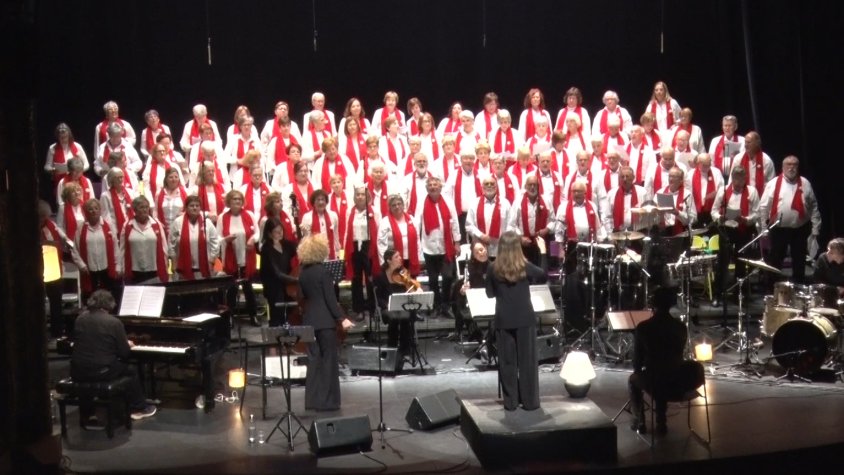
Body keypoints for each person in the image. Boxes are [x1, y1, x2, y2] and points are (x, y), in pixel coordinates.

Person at [71, 290, 157, 421]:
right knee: (131, 371)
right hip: (101, 371)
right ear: (110, 305)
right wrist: (127, 344)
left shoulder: (80, 318)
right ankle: (139, 407)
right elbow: (124, 353)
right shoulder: (113, 322)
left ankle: (88, 411)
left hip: (77, 371)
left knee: (101, 364)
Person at [485, 230, 547, 411]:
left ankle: (510, 402)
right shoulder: (524, 266)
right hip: (525, 319)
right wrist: (542, 252)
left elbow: (489, 294)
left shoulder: (492, 268)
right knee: (527, 362)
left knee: (507, 362)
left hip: (504, 320)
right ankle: (530, 402)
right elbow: (542, 275)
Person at [297, 234, 353, 411]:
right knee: (329, 361)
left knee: (314, 362)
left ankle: (312, 401)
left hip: (309, 322)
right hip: (326, 323)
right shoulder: (324, 272)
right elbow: (330, 299)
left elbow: (302, 297)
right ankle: (328, 402)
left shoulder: (303, 274)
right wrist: (342, 318)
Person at [628, 286, 691, 435]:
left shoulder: (644, 327)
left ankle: (640, 421)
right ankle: (661, 422)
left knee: (634, 380)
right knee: (663, 373)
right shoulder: (681, 327)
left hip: (656, 381)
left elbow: (637, 363)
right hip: (678, 382)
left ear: (653, 304)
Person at [759, 155, 821, 285]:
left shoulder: (805, 183)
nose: (791, 167)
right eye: (788, 164)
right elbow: (764, 207)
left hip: (799, 229)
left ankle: (798, 287)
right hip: (779, 229)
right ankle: (772, 288)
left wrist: (816, 228)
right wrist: (764, 229)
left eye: (794, 165)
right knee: (775, 261)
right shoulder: (773, 183)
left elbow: (813, 206)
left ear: (798, 167)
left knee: (799, 261)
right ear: (782, 167)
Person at [711, 165, 760, 306]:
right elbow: (713, 210)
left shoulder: (752, 191)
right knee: (722, 264)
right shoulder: (723, 190)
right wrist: (719, 217)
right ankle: (718, 294)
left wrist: (746, 219)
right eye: (736, 179)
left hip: (743, 230)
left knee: (741, 264)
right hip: (726, 231)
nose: (738, 183)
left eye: (741, 179)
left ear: (745, 178)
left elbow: (756, 213)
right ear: (732, 178)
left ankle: (739, 295)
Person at [40, 200, 85, 338]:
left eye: (45, 217)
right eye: (42, 217)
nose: (44, 219)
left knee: (56, 303)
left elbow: (63, 238)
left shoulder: (51, 225)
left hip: (54, 269)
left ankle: (57, 332)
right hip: (39, 271)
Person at [420, 176, 461, 318]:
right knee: (432, 280)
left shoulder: (448, 202)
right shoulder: (422, 203)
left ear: (440, 187)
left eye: (435, 185)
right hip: (428, 248)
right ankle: (436, 306)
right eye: (430, 185)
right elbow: (416, 224)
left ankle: (445, 305)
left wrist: (457, 242)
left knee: (448, 277)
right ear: (427, 188)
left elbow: (455, 222)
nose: (433, 187)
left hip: (446, 247)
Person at [217, 190, 259, 322]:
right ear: (229, 202)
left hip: (246, 256)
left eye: (239, 199)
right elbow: (217, 237)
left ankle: (253, 315)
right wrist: (226, 239)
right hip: (231, 257)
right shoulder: (222, 217)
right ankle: (230, 317)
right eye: (234, 199)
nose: (237, 201)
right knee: (232, 290)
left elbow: (257, 233)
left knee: (248, 289)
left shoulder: (250, 215)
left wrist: (252, 240)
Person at [343, 187, 381, 322]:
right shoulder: (350, 211)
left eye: (362, 195)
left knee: (371, 279)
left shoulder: (374, 211)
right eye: (357, 195)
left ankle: (372, 308)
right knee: (356, 279)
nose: (360, 197)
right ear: (354, 197)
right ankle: (358, 309)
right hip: (354, 247)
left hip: (369, 245)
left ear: (367, 197)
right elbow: (347, 231)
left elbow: (379, 229)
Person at [374, 249, 417, 358]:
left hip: (402, 305)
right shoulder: (380, 276)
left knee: (406, 316)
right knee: (394, 318)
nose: (400, 258)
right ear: (389, 260)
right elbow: (377, 297)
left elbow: (411, 288)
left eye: (399, 256)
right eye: (397, 257)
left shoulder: (402, 272)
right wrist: (387, 305)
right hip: (387, 307)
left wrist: (412, 286)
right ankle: (392, 348)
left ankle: (405, 349)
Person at [168, 195, 220, 280]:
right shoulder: (177, 222)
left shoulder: (207, 222)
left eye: (197, 205)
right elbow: (171, 244)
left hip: (204, 265)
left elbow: (215, 242)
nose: (194, 208)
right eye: (191, 206)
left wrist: (212, 260)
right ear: (186, 207)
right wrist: (173, 263)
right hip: (183, 267)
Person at [120, 196, 169, 284]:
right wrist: (121, 268)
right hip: (134, 270)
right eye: (141, 207)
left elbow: (164, 247)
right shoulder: (127, 226)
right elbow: (122, 250)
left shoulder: (156, 224)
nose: (145, 210)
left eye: (146, 207)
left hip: (153, 268)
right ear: (135, 210)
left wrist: (165, 265)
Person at [259, 218, 298, 327]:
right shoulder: (266, 249)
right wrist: (297, 280)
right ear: (269, 234)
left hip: (287, 284)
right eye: (276, 231)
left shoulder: (286, 244)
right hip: (274, 286)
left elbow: (301, 249)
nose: (280, 233)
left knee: (290, 311)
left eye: (281, 230)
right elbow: (277, 273)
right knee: (277, 315)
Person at [466, 175, 511, 258]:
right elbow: (469, 226)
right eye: (486, 184)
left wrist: (503, 238)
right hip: (481, 250)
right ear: (482, 187)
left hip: (501, 249)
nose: (489, 186)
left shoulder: (505, 203)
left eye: (492, 183)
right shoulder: (474, 204)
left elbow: (511, 225)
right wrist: (481, 236)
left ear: (496, 187)